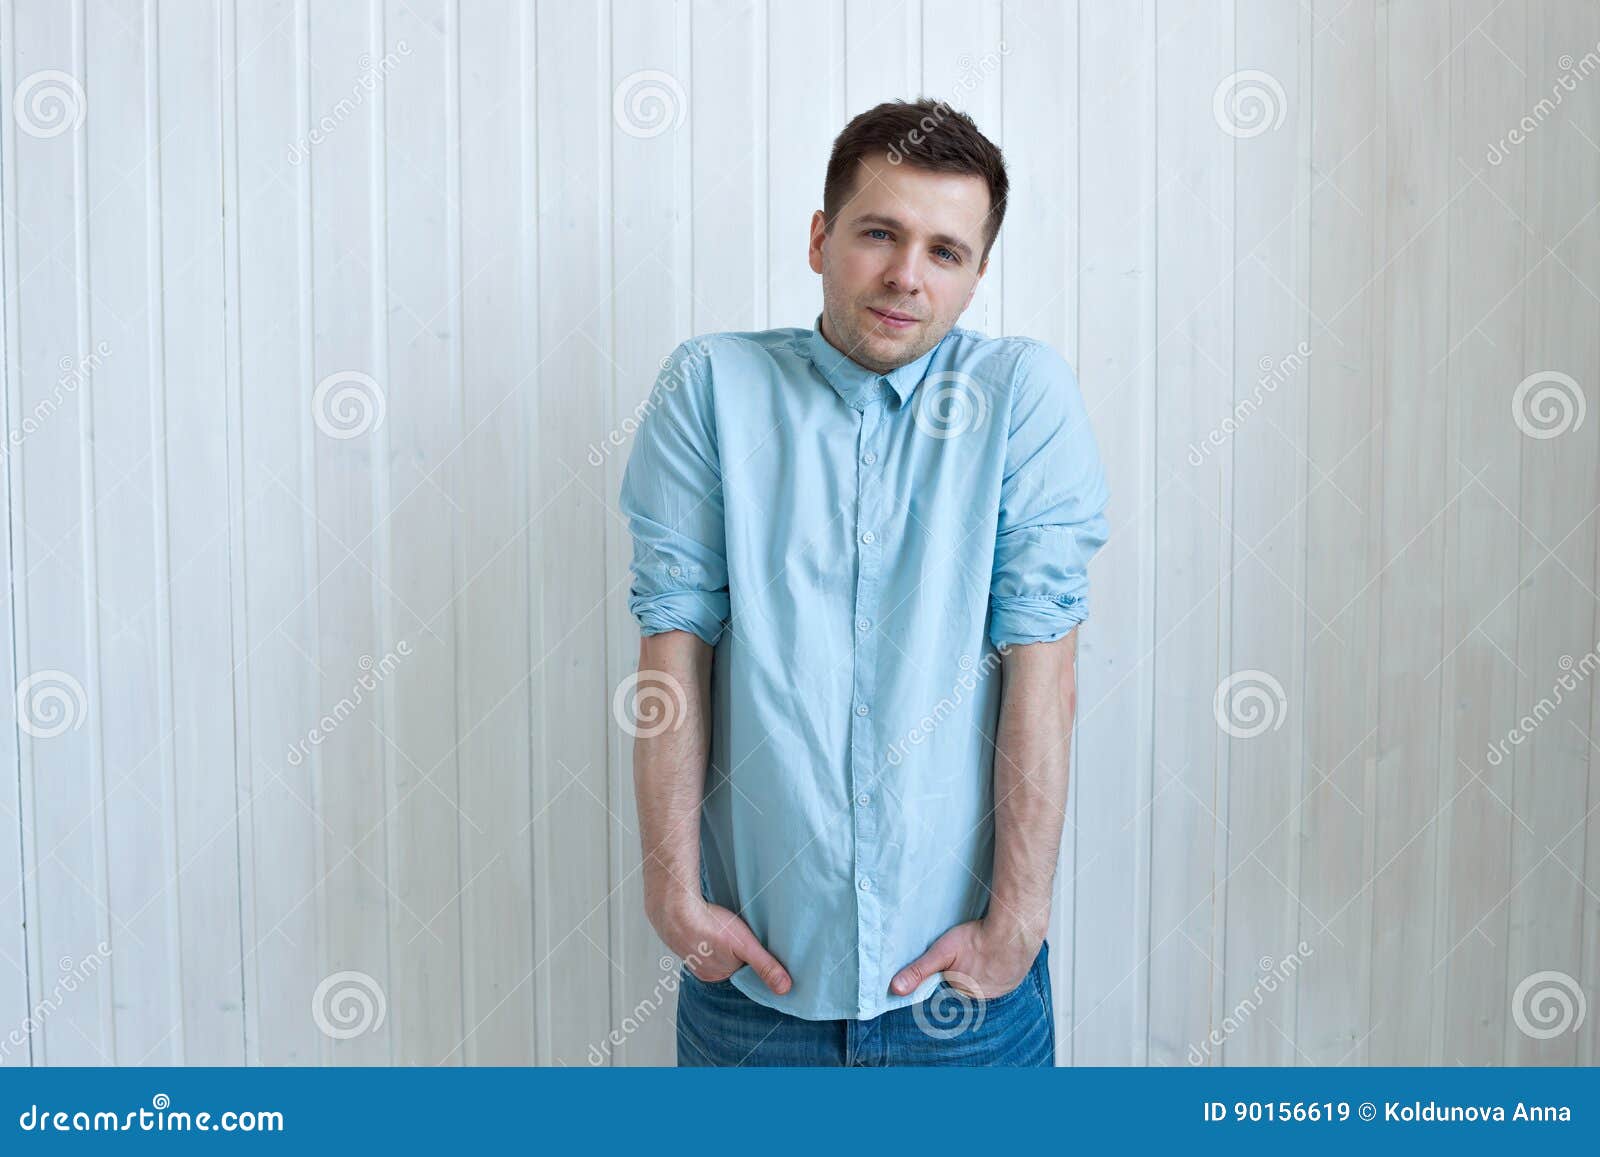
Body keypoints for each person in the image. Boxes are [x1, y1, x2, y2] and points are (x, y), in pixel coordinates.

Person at [617, 97, 1110, 1066]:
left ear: (974, 275)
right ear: (819, 237)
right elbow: (670, 648)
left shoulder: (1022, 398)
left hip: (960, 992)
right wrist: (673, 896)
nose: (904, 276)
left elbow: (1042, 672)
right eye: (879, 233)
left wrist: (1015, 923)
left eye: (944, 251)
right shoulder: (709, 388)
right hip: (754, 984)